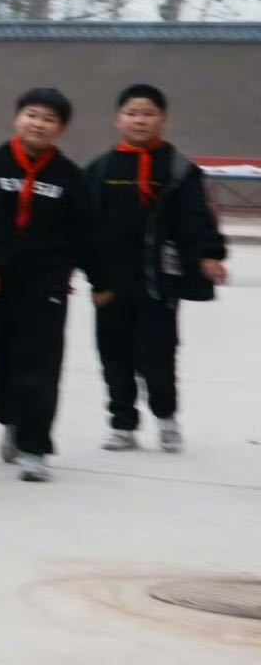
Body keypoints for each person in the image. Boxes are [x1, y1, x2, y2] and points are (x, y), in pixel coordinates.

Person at [83, 84, 228, 452]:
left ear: (163, 120)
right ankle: (122, 424)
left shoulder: (179, 168)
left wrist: (209, 254)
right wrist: (92, 276)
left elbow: (196, 218)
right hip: (111, 284)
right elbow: (83, 226)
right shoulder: (101, 169)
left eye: (148, 113)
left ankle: (166, 418)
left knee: (158, 355)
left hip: (158, 283)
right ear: (118, 119)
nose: (140, 120)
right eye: (132, 113)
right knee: (114, 355)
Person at [0, 89, 94, 482]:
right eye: (32, 115)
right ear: (17, 118)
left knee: (38, 364)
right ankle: (11, 418)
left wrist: (94, 277)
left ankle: (34, 447)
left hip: (44, 284)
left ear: (61, 129)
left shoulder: (70, 177)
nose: (38, 124)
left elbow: (86, 232)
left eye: (49, 119)